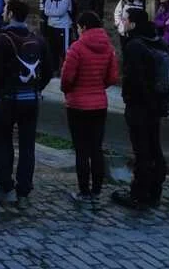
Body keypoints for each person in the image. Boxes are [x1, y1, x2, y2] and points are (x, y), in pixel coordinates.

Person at [0, 0, 52, 209]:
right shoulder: (38, 40)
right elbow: (49, 69)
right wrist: (37, 88)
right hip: (31, 99)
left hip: (9, 99)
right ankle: (24, 189)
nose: (3, 12)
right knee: (27, 146)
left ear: (11, 14)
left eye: (5, 10)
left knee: (2, 141)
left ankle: (5, 185)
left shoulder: (4, 39)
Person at [111, 8, 168, 211]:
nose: (123, 23)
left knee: (142, 150)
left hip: (140, 104)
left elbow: (135, 78)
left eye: (126, 20)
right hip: (156, 103)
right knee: (154, 146)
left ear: (133, 24)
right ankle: (154, 190)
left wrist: (130, 97)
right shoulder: (156, 41)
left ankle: (139, 193)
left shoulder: (135, 45)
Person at [61, 11, 119, 209]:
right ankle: (96, 190)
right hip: (99, 103)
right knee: (96, 148)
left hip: (77, 104)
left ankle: (84, 190)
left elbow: (67, 78)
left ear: (83, 27)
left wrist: (69, 90)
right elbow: (112, 77)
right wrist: (98, 86)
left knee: (81, 149)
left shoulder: (76, 48)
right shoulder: (108, 48)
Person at [42, 0, 73, 74]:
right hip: (51, 27)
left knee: (64, 51)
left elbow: (60, 11)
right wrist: (52, 12)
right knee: (52, 50)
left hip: (63, 28)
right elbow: (45, 11)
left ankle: (65, 71)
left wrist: (51, 12)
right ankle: (54, 71)